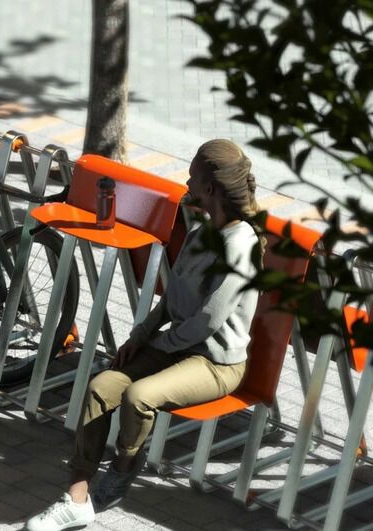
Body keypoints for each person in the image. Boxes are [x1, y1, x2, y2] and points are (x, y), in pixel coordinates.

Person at [26, 139, 264, 530]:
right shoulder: (201, 231)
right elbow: (172, 300)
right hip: (177, 346)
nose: (185, 182)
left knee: (138, 396)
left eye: (192, 177)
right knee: (102, 387)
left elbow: (207, 322)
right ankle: (76, 497)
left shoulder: (240, 247)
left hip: (216, 362)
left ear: (210, 188)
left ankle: (121, 470)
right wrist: (141, 334)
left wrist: (156, 347)